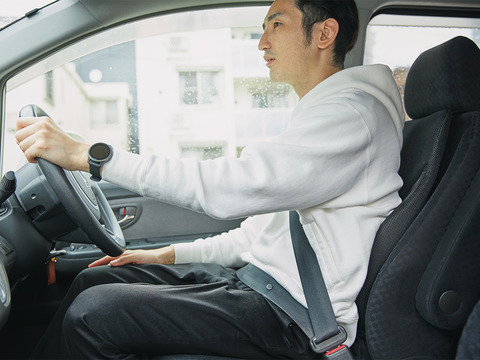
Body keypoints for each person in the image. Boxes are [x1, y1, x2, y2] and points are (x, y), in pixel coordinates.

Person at [15, 0, 405, 358]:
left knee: (91, 314)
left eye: (277, 23)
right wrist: (165, 255)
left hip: (295, 316)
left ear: (324, 34)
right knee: (92, 281)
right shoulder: (319, 116)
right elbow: (257, 237)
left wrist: (91, 156)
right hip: (258, 284)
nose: (262, 42)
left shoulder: (352, 119)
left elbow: (229, 188)